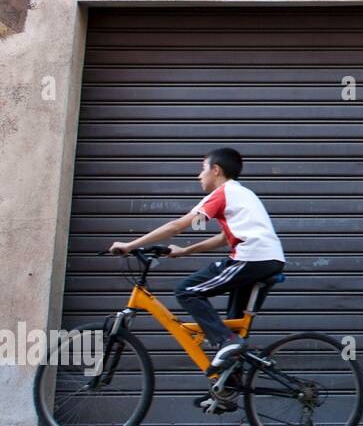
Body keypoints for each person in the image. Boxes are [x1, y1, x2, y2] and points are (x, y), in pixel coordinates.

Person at [109, 147, 285, 375]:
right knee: (234, 326)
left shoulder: (223, 193)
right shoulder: (242, 195)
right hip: (266, 259)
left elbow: (177, 226)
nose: (198, 176)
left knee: (187, 291)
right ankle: (228, 385)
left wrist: (130, 245)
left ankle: (226, 342)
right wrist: (184, 252)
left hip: (251, 257)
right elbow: (223, 238)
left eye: (202, 169)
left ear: (216, 169)